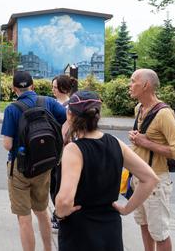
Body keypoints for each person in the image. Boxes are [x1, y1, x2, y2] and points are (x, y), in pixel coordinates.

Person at [54, 90, 159, 251]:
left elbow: (65, 200)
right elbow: (150, 178)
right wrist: (126, 209)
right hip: (110, 229)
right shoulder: (115, 142)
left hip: (79, 230)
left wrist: (59, 214)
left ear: (70, 114)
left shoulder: (74, 150)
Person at [1, 71, 66, 251]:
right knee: (42, 211)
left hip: (20, 168)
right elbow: (69, 120)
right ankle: (48, 249)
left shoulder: (12, 109)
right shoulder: (49, 102)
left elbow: (7, 144)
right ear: (33, 86)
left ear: (14, 89)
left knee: (24, 218)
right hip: (44, 166)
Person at [128, 69, 175, 251]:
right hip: (139, 180)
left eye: (133, 81)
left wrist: (145, 142)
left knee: (159, 234)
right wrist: (139, 139)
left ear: (146, 85)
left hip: (156, 183)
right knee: (144, 225)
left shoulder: (164, 114)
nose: (129, 85)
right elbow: (144, 139)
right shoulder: (139, 109)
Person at [50, 74, 74, 230]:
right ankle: (58, 212)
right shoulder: (51, 103)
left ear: (63, 88)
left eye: (54, 87)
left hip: (66, 151)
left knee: (61, 184)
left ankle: (60, 214)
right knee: (53, 183)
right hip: (52, 150)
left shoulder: (71, 106)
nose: (52, 90)